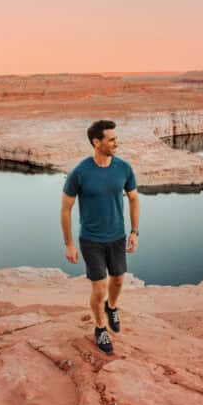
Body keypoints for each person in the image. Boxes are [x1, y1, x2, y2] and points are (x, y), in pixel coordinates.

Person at [60, 119, 139, 354]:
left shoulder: (123, 168)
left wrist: (134, 231)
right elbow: (66, 208)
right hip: (91, 239)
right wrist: (69, 243)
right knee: (99, 287)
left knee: (118, 280)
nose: (117, 143)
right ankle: (100, 327)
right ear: (97, 142)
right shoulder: (80, 172)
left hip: (116, 236)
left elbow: (134, 199)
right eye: (112, 139)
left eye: (116, 138)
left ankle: (112, 307)